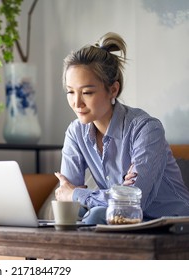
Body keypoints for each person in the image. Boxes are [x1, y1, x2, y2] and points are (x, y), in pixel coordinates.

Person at [55, 32, 189, 224]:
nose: (77, 103)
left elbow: (132, 203)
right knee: (83, 217)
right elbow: (66, 199)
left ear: (113, 90)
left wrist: (77, 194)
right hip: (118, 222)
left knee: (94, 216)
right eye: (70, 91)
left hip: (173, 226)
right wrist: (79, 196)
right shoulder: (76, 133)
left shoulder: (147, 130)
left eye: (87, 92)